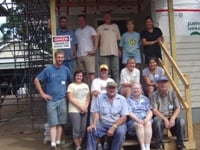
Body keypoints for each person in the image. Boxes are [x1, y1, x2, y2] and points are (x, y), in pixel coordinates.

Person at [34, 50, 72, 150]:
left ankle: (58, 142)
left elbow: (70, 82)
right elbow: (37, 80)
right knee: (53, 123)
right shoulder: (48, 69)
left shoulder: (66, 70)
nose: (60, 59)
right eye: (58, 57)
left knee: (61, 122)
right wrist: (42, 94)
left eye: (62, 57)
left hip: (62, 99)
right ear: (55, 58)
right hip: (51, 101)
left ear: (64, 58)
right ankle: (53, 144)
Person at [87, 81, 129, 150]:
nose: (111, 90)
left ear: (116, 89)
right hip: (104, 124)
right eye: (109, 88)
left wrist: (114, 127)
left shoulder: (122, 99)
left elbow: (124, 117)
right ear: (106, 89)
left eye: (113, 88)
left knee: (120, 132)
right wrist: (94, 124)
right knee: (91, 130)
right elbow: (97, 112)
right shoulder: (100, 97)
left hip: (118, 124)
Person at [150, 75, 186, 150]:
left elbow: (178, 108)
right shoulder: (154, 95)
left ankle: (180, 144)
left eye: (165, 82)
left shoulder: (173, 93)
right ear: (157, 84)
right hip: (161, 118)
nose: (163, 84)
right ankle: (159, 145)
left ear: (168, 84)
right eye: (161, 82)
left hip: (171, 117)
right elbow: (154, 110)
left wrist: (172, 118)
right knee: (156, 121)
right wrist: (164, 119)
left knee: (181, 121)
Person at [67, 70, 90, 150]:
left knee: (82, 130)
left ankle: (78, 146)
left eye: (80, 76)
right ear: (74, 76)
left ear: (82, 77)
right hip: (74, 110)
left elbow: (88, 98)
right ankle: (78, 146)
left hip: (84, 110)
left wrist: (85, 108)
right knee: (76, 129)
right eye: (77, 75)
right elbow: (70, 98)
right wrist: (80, 107)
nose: (79, 77)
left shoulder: (86, 86)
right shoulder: (71, 86)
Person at [97, 11, 121, 84]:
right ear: (103, 18)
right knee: (105, 72)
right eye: (105, 16)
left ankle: (116, 89)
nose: (107, 17)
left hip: (114, 52)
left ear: (111, 17)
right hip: (104, 53)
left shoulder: (115, 26)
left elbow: (118, 40)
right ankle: (105, 88)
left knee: (115, 72)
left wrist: (119, 49)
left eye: (108, 16)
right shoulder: (100, 28)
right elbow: (97, 41)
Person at [126, 83, 152, 150]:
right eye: (134, 88)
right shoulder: (128, 100)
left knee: (148, 123)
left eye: (138, 88)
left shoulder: (145, 99)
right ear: (131, 90)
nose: (136, 90)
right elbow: (129, 113)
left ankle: (147, 146)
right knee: (139, 125)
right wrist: (138, 120)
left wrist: (147, 119)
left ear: (141, 90)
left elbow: (150, 111)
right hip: (133, 121)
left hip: (144, 118)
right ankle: (142, 147)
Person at [75, 15, 98, 85]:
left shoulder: (90, 29)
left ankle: (93, 90)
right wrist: (75, 53)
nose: (81, 21)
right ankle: (85, 90)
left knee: (91, 73)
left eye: (82, 20)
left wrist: (94, 49)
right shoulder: (77, 31)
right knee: (82, 75)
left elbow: (96, 38)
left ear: (85, 20)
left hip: (89, 55)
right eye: (79, 20)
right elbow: (75, 43)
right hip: (79, 55)